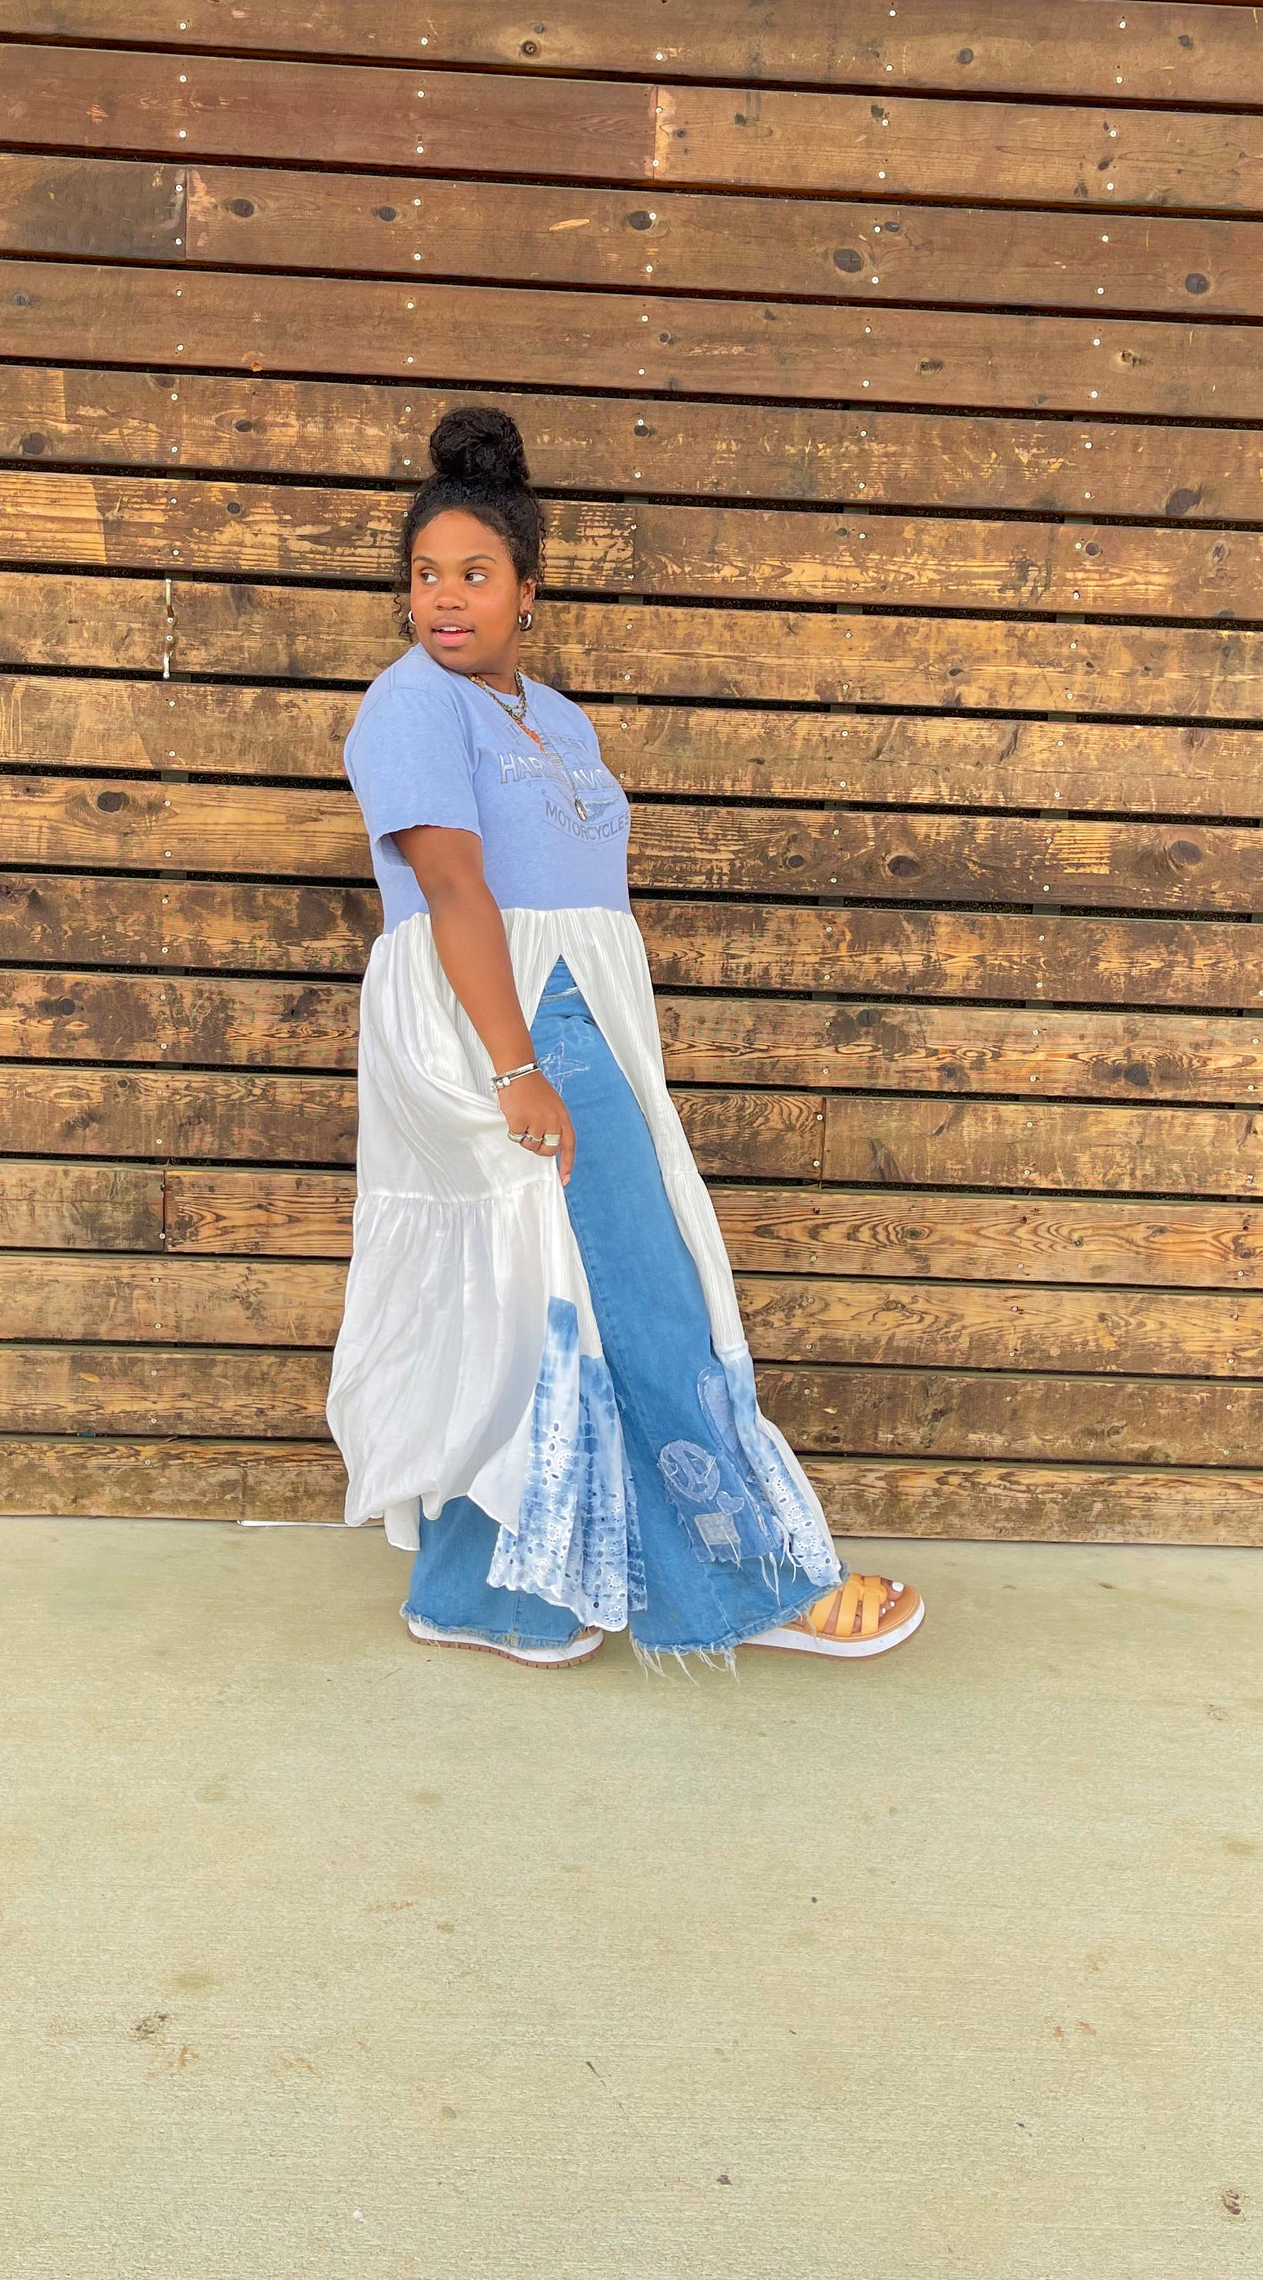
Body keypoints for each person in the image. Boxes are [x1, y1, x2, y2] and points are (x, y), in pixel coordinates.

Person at [324, 404, 925, 1669]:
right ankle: (751, 1583)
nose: (445, 598)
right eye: (424, 575)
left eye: (474, 573)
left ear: (526, 591)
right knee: (637, 1285)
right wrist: (516, 1064)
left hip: (574, 1009)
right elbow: (453, 890)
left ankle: (496, 1597)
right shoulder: (409, 705)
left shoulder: (555, 717)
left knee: (536, 1295)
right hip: (504, 1017)